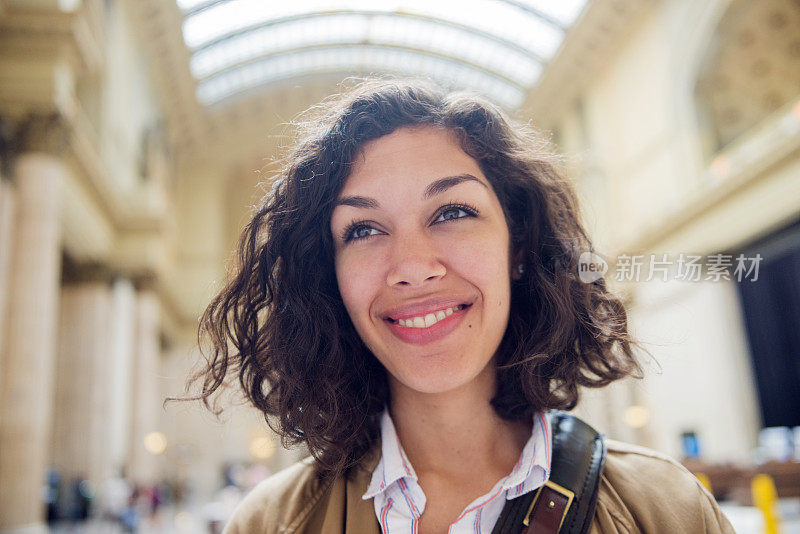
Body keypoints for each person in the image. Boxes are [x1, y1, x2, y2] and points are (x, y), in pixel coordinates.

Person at [189, 78, 735, 533]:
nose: (411, 265)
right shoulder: (269, 522)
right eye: (363, 228)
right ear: (329, 279)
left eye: (451, 212)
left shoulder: (669, 510)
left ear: (517, 248)